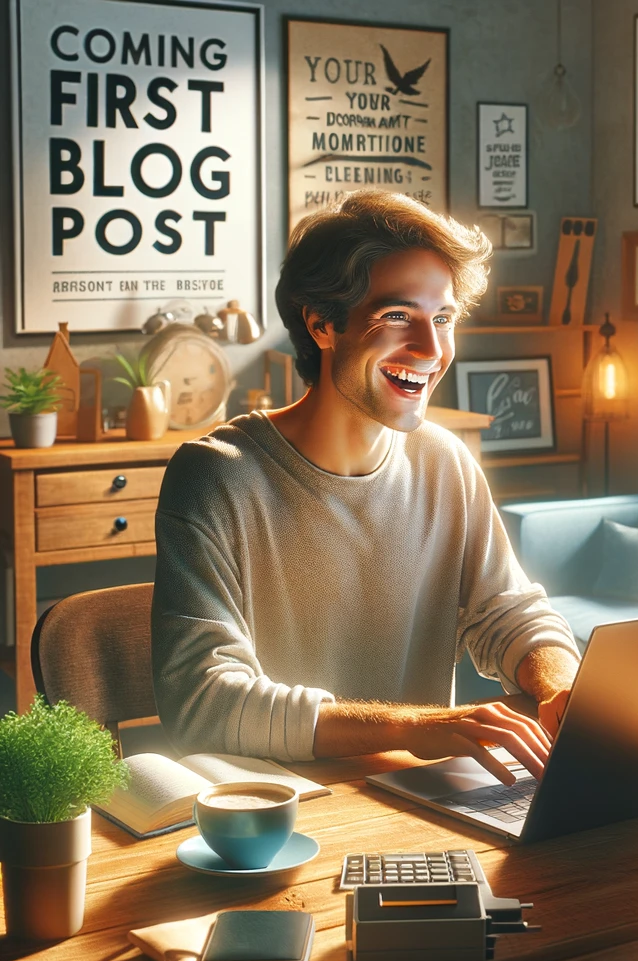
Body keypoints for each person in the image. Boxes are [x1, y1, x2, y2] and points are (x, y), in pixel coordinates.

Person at [151, 190, 580, 785]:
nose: (432, 351)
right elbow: (205, 702)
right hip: (279, 817)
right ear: (321, 324)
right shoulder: (217, 475)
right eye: (398, 316)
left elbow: (509, 614)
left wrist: (560, 689)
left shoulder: (446, 463)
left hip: (423, 807)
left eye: (444, 319)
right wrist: (417, 727)